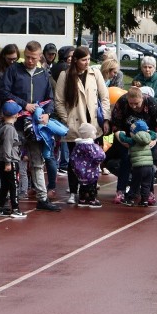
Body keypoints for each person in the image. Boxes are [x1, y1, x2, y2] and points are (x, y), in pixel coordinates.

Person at [0, 41, 61, 212]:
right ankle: (5, 199)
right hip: (16, 124)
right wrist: (24, 105)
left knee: (37, 161)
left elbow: (50, 98)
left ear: (39, 56)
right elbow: (4, 92)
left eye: (33, 58)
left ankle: (42, 198)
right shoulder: (13, 71)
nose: (30, 61)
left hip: (36, 126)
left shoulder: (44, 74)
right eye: (27, 57)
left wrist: (47, 114)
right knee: (11, 161)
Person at [54, 46, 110, 205]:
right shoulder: (65, 76)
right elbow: (59, 101)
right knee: (74, 161)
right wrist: (67, 120)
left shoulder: (95, 73)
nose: (87, 62)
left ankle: (90, 194)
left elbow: (104, 97)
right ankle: (73, 191)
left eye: (88, 59)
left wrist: (105, 119)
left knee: (93, 160)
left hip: (93, 126)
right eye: (84, 59)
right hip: (75, 127)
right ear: (76, 60)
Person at [110, 86, 157, 204]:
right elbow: (116, 126)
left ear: (142, 98)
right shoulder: (122, 102)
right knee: (125, 160)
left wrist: (152, 141)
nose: (133, 106)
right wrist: (123, 141)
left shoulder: (151, 104)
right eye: (131, 103)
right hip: (127, 136)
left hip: (148, 137)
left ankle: (149, 192)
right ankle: (121, 190)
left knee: (149, 164)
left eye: (136, 103)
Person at [0, 100, 26, 218]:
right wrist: (8, 161)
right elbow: (7, 145)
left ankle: (0, 207)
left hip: (3, 160)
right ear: (15, 115)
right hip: (10, 161)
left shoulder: (3, 126)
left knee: (5, 185)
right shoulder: (9, 129)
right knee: (14, 185)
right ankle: (15, 208)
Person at [116, 120, 157, 207]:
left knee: (135, 184)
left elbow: (123, 138)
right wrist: (149, 131)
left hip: (138, 167)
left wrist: (121, 133)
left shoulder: (133, 140)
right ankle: (144, 200)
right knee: (146, 184)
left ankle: (130, 199)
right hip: (149, 167)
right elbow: (155, 134)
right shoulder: (149, 138)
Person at [69, 123, 106, 208]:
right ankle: (92, 200)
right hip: (91, 170)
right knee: (92, 185)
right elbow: (100, 155)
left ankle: (82, 199)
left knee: (83, 185)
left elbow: (72, 157)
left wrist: (75, 167)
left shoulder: (77, 146)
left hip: (80, 171)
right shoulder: (92, 146)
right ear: (90, 134)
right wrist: (98, 162)